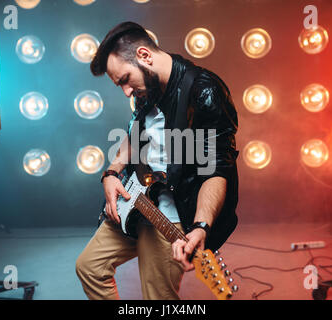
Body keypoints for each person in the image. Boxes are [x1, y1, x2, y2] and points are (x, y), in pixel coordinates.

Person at [75, 21, 239, 300]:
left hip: (174, 216)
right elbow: (134, 135)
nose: (125, 91)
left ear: (144, 56)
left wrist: (200, 226)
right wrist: (112, 172)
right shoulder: (147, 88)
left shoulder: (203, 91)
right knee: (89, 267)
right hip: (137, 200)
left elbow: (216, 170)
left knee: (157, 299)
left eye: (125, 79)